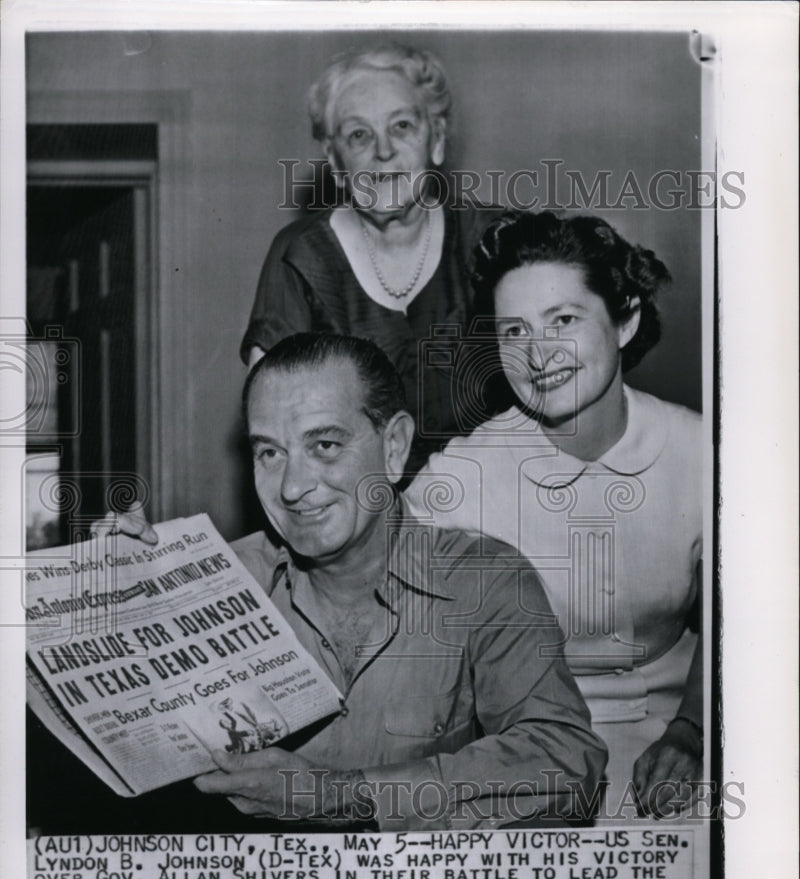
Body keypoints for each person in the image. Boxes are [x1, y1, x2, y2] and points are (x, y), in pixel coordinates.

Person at [107, 333, 607, 831]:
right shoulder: (225, 582)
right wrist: (126, 608)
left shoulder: (484, 581)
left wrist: (342, 795)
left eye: (324, 445)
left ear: (394, 448)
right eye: (269, 454)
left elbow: (565, 763)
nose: (292, 488)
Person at [405, 211, 703, 820]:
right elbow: (351, 571)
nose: (538, 355)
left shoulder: (704, 453)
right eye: (513, 331)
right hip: (521, 755)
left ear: (625, 320)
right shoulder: (463, 478)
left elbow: (750, 620)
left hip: (684, 731)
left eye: (563, 320)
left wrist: (693, 732)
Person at [240, 42, 502, 474]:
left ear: (436, 139)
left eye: (401, 126)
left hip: (498, 503)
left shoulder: (492, 238)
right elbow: (274, 425)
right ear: (336, 163)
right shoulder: (300, 257)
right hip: (359, 514)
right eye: (359, 134)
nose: (383, 151)